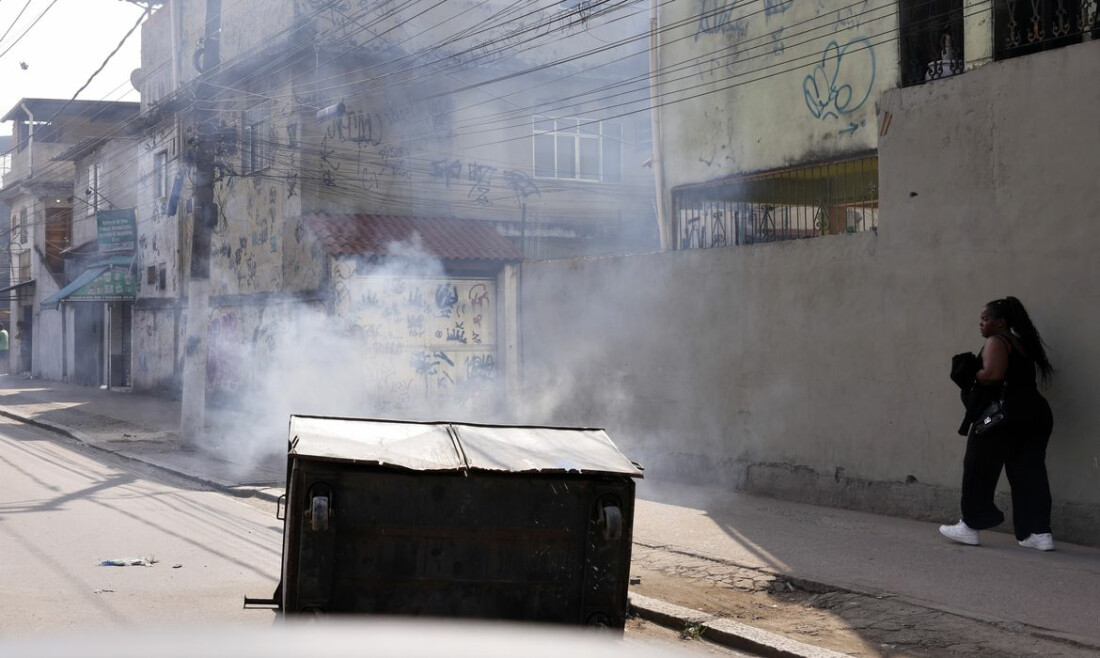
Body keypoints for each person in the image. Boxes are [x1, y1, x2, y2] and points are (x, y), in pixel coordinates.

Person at [940, 297, 1055, 551]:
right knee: (1029, 471)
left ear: (1000, 322)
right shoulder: (1021, 343)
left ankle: (969, 526)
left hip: (1003, 416)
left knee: (978, 467)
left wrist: (969, 373)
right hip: (1035, 413)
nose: (981, 323)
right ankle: (1039, 532)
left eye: (985, 318)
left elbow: (993, 375)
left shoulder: (997, 341)